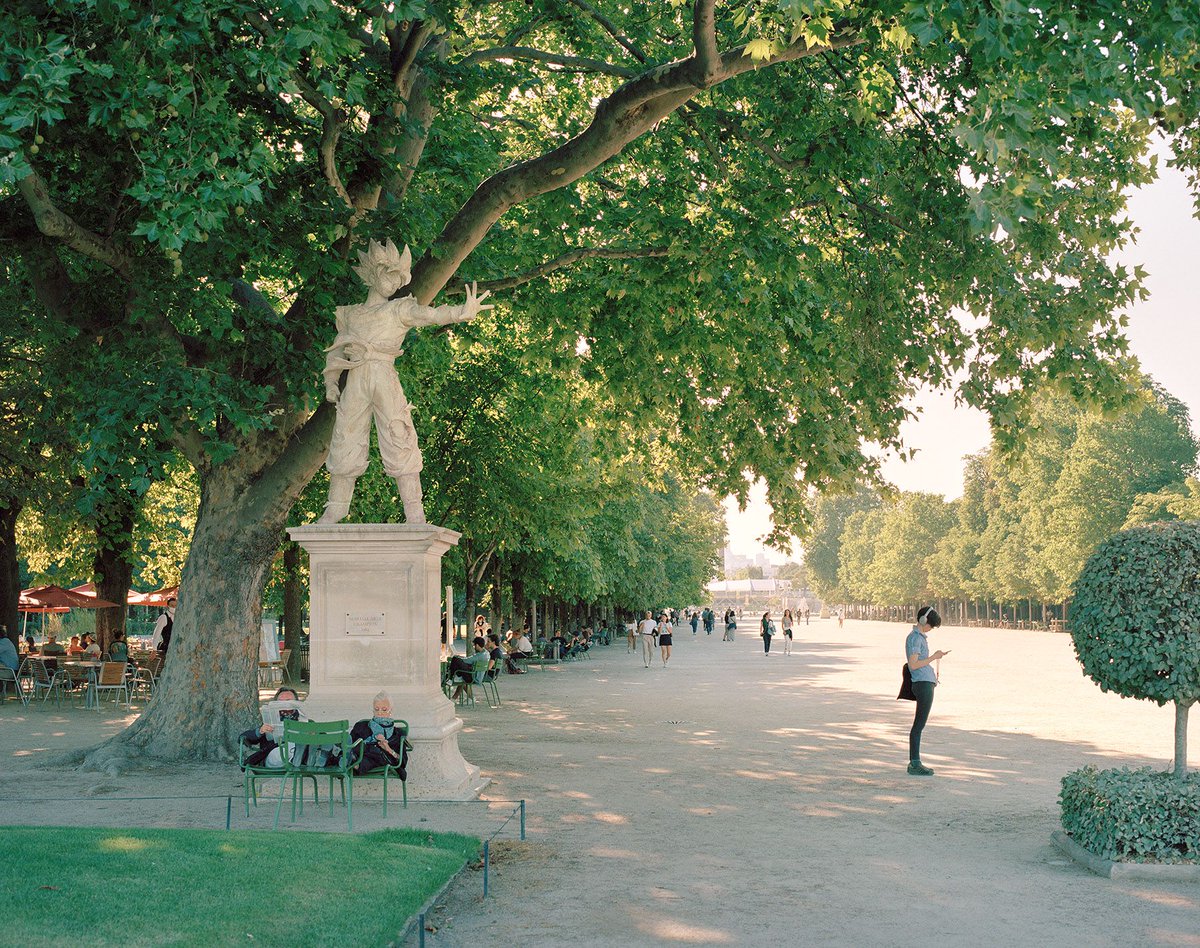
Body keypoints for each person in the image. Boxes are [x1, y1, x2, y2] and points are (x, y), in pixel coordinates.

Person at [318, 238, 493, 524]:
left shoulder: (399, 309)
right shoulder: (351, 314)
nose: (394, 284)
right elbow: (336, 351)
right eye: (390, 275)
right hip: (357, 379)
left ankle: (414, 511)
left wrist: (461, 312)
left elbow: (430, 315)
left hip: (385, 377)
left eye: (399, 279)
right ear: (374, 273)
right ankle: (336, 507)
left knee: (400, 435)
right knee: (345, 438)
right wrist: (331, 383)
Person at [906, 606, 949, 776]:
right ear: (924, 621)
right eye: (931, 625)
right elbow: (914, 664)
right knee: (918, 725)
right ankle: (914, 763)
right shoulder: (915, 639)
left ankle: (915, 761)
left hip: (925, 682)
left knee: (919, 724)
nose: (931, 629)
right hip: (922, 683)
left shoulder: (918, 637)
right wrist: (933, 657)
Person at [239, 687, 303, 767]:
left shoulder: (304, 720)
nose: (284, 704)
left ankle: (300, 758)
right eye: (280, 702)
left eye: (288, 701)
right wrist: (260, 731)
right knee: (287, 749)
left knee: (301, 746)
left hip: (298, 752)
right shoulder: (269, 721)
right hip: (274, 756)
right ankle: (298, 758)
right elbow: (242, 737)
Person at [350, 692, 410, 777]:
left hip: (379, 758)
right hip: (360, 753)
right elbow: (350, 743)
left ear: (390, 711)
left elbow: (402, 761)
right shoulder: (361, 726)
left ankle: (346, 759)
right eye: (376, 709)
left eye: (384, 709)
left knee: (367, 758)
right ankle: (335, 754)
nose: (380, 713)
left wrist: (388, 749)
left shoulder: (397, 734)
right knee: (349, 747)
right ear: (373, 711)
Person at [448, 636, 492, 701]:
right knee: (461, 674)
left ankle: (451, 678)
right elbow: (470, 660)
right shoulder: (486, 653)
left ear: (477, 645)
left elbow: (467, 660)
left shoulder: (479, 656)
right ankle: (467, 697)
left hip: (474, 676)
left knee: (455, 659)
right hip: (478, 675)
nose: (474, 647)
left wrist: (459, 657)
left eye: (474, 645)